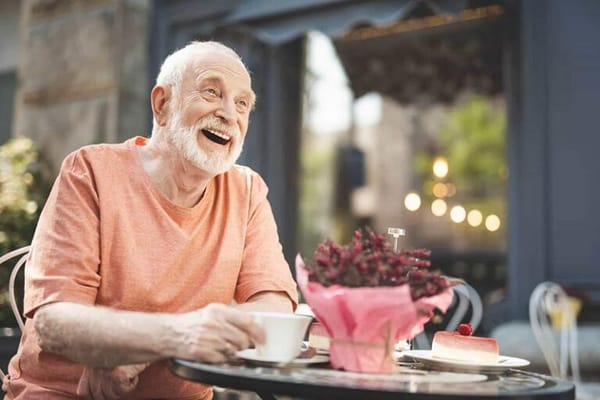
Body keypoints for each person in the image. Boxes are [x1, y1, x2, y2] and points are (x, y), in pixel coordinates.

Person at [2, 41, 299, 399]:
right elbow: (55, 321)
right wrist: (177, 335)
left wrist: (132, 347)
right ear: (162, 104)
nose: (228, 114)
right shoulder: (91, 171)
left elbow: (275, 305)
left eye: (242, 104)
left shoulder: (247, 190)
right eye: (211, 92)